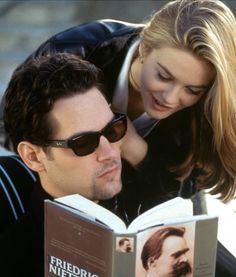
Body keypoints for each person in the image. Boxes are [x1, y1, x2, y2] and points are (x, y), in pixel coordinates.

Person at [2, 0, 236, 275]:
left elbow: (192, 186)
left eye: (192, 89)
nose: (172, 98)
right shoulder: (75, 54)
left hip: (159, 205)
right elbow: (20, 126)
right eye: (163, 76)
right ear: (144, 48)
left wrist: (138, 152)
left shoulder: (206, 109)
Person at [1, 53, 128, 276]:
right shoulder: (14, 261)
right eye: (84, 143)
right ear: (33, 156)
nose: (109, 152)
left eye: (112, 130)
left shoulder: (156, 215)